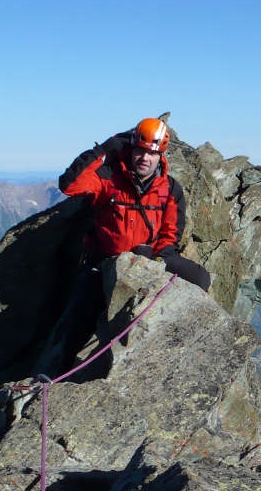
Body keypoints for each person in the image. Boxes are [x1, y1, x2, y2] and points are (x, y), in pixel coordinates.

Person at [51, 116, 212, 369]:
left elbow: (171, 232)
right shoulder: (108, 178)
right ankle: (63, 370)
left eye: (152, 154)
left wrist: (158, 259)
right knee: (81, 319)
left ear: (161, 156)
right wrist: (103, 148)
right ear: (131, 149)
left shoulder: (169, 188)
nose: (145, 159)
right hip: (104, 261)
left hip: (149, 259)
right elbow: (69, 185)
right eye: (140, 151)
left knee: (201, 279)